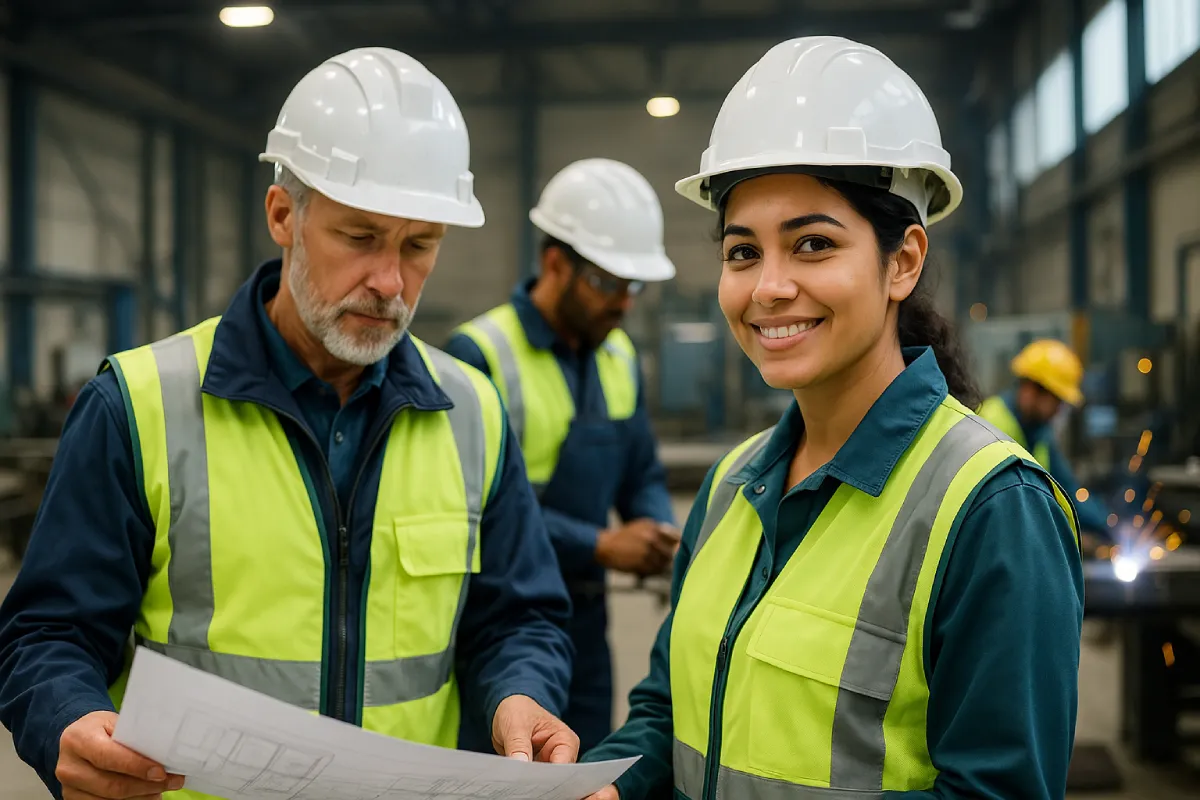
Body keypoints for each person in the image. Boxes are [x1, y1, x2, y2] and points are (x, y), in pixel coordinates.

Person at [0, 48, 578, 800]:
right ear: (283, 216)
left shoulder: (472, 413)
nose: (390, 281)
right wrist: (66, 718)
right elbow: (47, 633)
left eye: (420, 245)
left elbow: (520, 617)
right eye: (360, 237)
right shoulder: (139, 405)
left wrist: (520, 693)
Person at [582, 36, 1084, 800]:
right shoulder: (730, 486)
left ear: (902, 261)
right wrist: (609, 784)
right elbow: (668, 709)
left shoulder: (992, 511)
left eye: (813, 244)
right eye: (742, 252)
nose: (768, 287)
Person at [444, 158, 679, 755]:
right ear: (555, 264)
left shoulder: (618, 356)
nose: (623, 304)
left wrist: (657, 530)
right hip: (500, 628)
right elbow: (474, 511)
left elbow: (641, 471)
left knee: (585, 767)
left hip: (587, 626)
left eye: (633, 287)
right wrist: (600, 545)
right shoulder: (480, 355)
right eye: (606, 283)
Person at [977, 339, 1113, 541]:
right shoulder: (990, 427)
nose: (1058, 410)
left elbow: (1068, 492)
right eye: (1057, 400)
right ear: (1031, 390)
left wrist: (1109, 525)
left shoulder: (1038, 433)